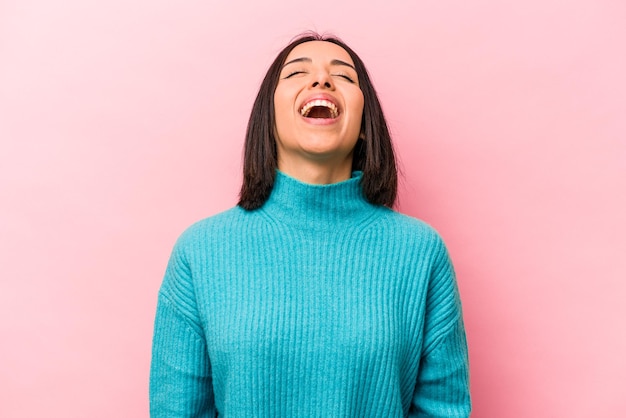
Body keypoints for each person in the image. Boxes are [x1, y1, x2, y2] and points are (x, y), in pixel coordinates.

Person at [150, 32, 471, 417]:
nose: (321, 80)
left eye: (344, 77)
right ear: (268, 119)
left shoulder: (421, 253)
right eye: (298, 73)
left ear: (365, 124)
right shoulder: (199, 252)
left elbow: (443, 409)